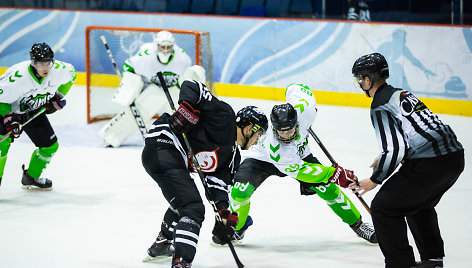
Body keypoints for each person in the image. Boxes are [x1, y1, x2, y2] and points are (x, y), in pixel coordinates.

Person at [218, 83, 377, 245]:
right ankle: (238, 228)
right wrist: (333, 173)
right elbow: (303, 172)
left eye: (290, 130)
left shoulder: (305, 111)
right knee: (240, 191)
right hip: (263, 159)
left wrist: (296, 106)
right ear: (273, 128)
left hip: (299, 154)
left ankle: (358, 225)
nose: (286, 135)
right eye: (281, 131)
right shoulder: (275, 147)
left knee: (328, 189)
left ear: (297, 122)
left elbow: (294, 87)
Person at [350, 53, 464, 268]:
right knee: (417, 204)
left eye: (359, 79)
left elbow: (395, 149)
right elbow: (413, 132)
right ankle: (433, 261)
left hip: (431, 164)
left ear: (367, 80)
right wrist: (384, 156)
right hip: (454, 159)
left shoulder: (380, 105)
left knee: (383, 208)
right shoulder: (401, 93)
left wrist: (375, 179)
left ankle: (400, 265)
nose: (359, 84)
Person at [141, 78, 268, 267]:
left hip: (171, 158)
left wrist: (223, 214)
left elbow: (217, 185)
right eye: (258, 135)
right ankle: (182, 262)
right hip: (164, 143)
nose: (257, 141)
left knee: (185, 200)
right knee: (193, 208)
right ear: (250, 128)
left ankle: (162, 243)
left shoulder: (232, 157)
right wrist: (186, 108)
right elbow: (191, 86)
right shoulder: (224, 116)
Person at [0, 43, 76, 189]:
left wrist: (58, 96)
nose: (45, 68)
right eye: (40, 64)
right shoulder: (17, 78)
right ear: (33, 63)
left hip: (32, 111)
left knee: (50, 146)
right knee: (1, 147)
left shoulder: (61, 70)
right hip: (6, 109)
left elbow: (72, 76)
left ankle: (31, 177)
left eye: (48, 63)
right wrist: (9, 117)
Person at [99, 30, 194, 147]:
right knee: (137, 112)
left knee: (183, 116)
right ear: (156, 46)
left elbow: (186, 77)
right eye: (162, 47)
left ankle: (191, 141)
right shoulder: (145, 57)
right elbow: (128, 66)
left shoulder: (182, 59)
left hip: (173, 89)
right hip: (152, 87)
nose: (165, 50)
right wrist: (130, 87)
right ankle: (111, 137)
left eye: (168, 47)